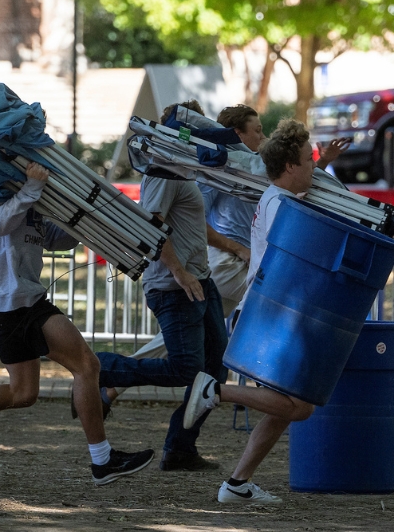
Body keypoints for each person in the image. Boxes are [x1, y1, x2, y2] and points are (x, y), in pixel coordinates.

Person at [97, 106, 349, 412]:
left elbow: (296, 178)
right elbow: (183, 223)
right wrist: (233, 250)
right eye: (256, 130)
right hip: (223, 267)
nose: (261, 135)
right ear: (238, 135)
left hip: (212, 271)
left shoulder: (248, 173)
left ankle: (185, 435)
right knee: (192, 357)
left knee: (206, 358)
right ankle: (106, 375)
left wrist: (321, 163)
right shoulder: (203, 173)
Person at [0, 162, 154, 486]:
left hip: (13, 303)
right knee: (87, 366)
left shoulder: (30, 198)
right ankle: (102, 461)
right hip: (19, 301)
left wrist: (81, 216)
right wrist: (32, 187)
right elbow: (1, 223)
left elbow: (54, 240)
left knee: (23, 393)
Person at [75, 100, 229, 472]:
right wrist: (179, 271)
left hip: (199, 281)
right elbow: (152, 227)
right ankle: (101, 369)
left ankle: (180, 447)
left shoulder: (183, 167)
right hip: (175, 286)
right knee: (186, 372)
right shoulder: (163, 169)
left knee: (215, 369)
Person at [183, 119, 319, 504]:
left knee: (289, 407)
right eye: (308, 160)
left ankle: (238, 484)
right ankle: (216, 390)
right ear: (290, 166)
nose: (312, 166)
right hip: (269, 317)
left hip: (268, 316)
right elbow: (287, 263)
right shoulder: (282, 206)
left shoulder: (280, 200)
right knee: (300, 407)